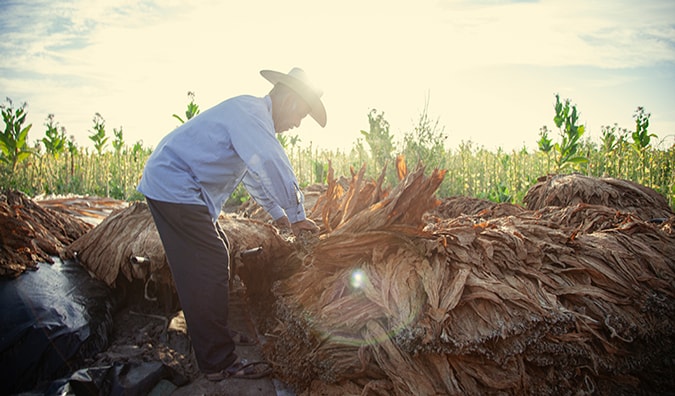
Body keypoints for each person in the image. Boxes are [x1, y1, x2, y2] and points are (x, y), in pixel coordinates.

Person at [136, 67, 324, 380]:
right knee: (208, 262)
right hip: (174, 184)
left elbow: (252, 173)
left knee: (215, 254)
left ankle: (214, 337)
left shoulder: (249, 117)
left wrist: (278, 215)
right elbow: (269, 161)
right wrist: (297, 216)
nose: (295, 125)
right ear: (290, 100)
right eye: (301, 115)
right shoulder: (251, 114)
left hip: (177, 186)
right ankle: (217, 362)